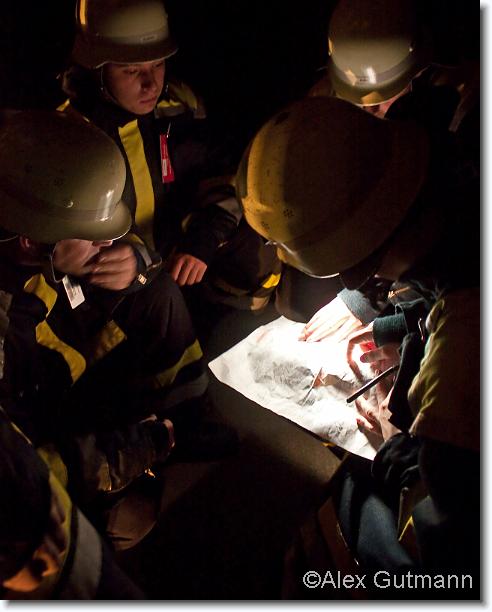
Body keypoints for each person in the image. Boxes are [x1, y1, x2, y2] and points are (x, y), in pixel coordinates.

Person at [237, 96, 479, 597]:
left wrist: (395, 445)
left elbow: (455, 544)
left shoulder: (462, 358)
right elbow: (446, 275)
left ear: (359, 263)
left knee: (352, 491)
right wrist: (399, 325)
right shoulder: (464, 191)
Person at [0, 109, 218, 558]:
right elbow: (24, 474)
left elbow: (112, 245)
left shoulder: (33, 231)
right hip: (30, 465)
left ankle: (190, 419)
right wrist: (140, 449)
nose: (105, 242)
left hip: (56, 380)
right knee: (111, 522)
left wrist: (139, 263)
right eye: (89, 235)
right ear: (30, 240)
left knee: (155, 293)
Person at [59, 0, 281, 335]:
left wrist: (204, 237)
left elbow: (219, 175)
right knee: (153, 301)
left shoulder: (176, 106)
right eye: (132, 71)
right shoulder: (70, 137)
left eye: (158, 64)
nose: (151, 84)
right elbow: (67, 244)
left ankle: (245, 331)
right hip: (124, 282)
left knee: (256, 233)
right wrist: (136, 262)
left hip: (178, 254)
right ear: (97, 69)